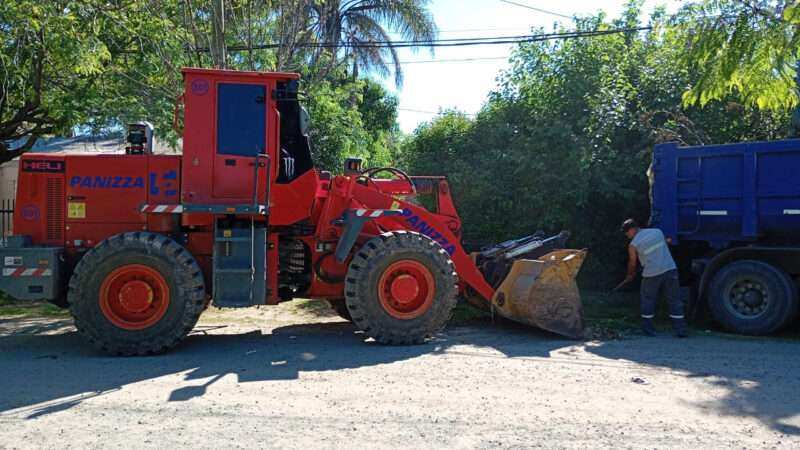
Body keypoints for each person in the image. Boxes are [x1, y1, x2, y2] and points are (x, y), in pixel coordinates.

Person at [615, 219, 688, 337]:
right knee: (674, 300)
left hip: (651, 274)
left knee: (648, 300)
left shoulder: (633, 245)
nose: (626, 235)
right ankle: (681, 330)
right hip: (670, 269)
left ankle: (648, 330)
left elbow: (632, 263)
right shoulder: (657, 232)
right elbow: (665, 243)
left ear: (633, 229)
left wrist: (630, 274)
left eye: (627, 232)